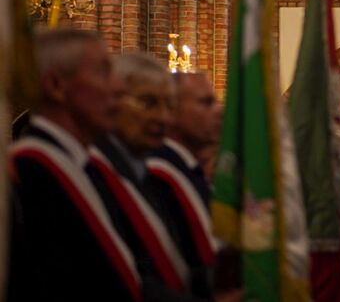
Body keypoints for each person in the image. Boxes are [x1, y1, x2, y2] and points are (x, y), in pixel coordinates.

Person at [8, 28, 141, 300]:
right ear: (56, 86)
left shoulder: (89, 168)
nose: (121, 88)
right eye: (104, 71)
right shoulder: (29, 174)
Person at [88, 52, 198, 300]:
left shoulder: (150, 173)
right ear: (111, 101)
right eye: (149, 103)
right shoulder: (94, 173)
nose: (163, 118)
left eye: (170, 105)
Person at [148, 70, 223, 296]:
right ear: (170, 111)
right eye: (205, 103)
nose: (219, 111)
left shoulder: (187, 170)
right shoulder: (162, 176)